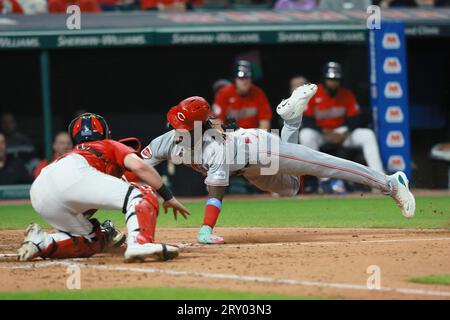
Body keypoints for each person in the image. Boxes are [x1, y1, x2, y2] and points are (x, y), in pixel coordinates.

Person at [140, 90, 415, 244]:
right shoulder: (167, 141)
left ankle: (391, 183)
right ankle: (291, 121)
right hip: (248, 169)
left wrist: (206, 230)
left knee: (327, 165)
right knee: (292, 188)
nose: (180, 131)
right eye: (178, 125)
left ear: (200, 127)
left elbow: (215, 192)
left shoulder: (215, 147)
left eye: (186, 127)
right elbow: (136, 165)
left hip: (262, 149)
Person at [17, 113, 190, 262]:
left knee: (93, 240)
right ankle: (140, 243)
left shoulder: (72, 154)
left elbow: (81, 203)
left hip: (39, 191)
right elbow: (141, 167)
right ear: (106, 133)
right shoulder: (109, 144)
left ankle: (42, 242)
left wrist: (104, 233)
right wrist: (169, 197)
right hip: (74, 175)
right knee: (142, 194)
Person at [299, 62, 385, 174]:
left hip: (341, 133)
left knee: (367, 135)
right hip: (322, 133)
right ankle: (324, 179)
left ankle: (379, 176)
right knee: (306, 134)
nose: (333, 82)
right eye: (330, 79)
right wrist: (325, 131)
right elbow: (307, 120)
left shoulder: (346, 94)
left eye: (336, 79)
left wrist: (345, 132)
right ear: (324, 79)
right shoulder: (313, 92)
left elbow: (356, 119)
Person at [213, 60, 273, 130]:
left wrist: (259, 138)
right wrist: (226, 137)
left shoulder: (258, 93)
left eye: (247, 77)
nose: (244, 81)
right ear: (235, 79)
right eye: (241, 78)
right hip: (230, 135)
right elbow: (217, 121)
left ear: (251, 79)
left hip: (252, 136)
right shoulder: (223, 93)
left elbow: (265, 122)